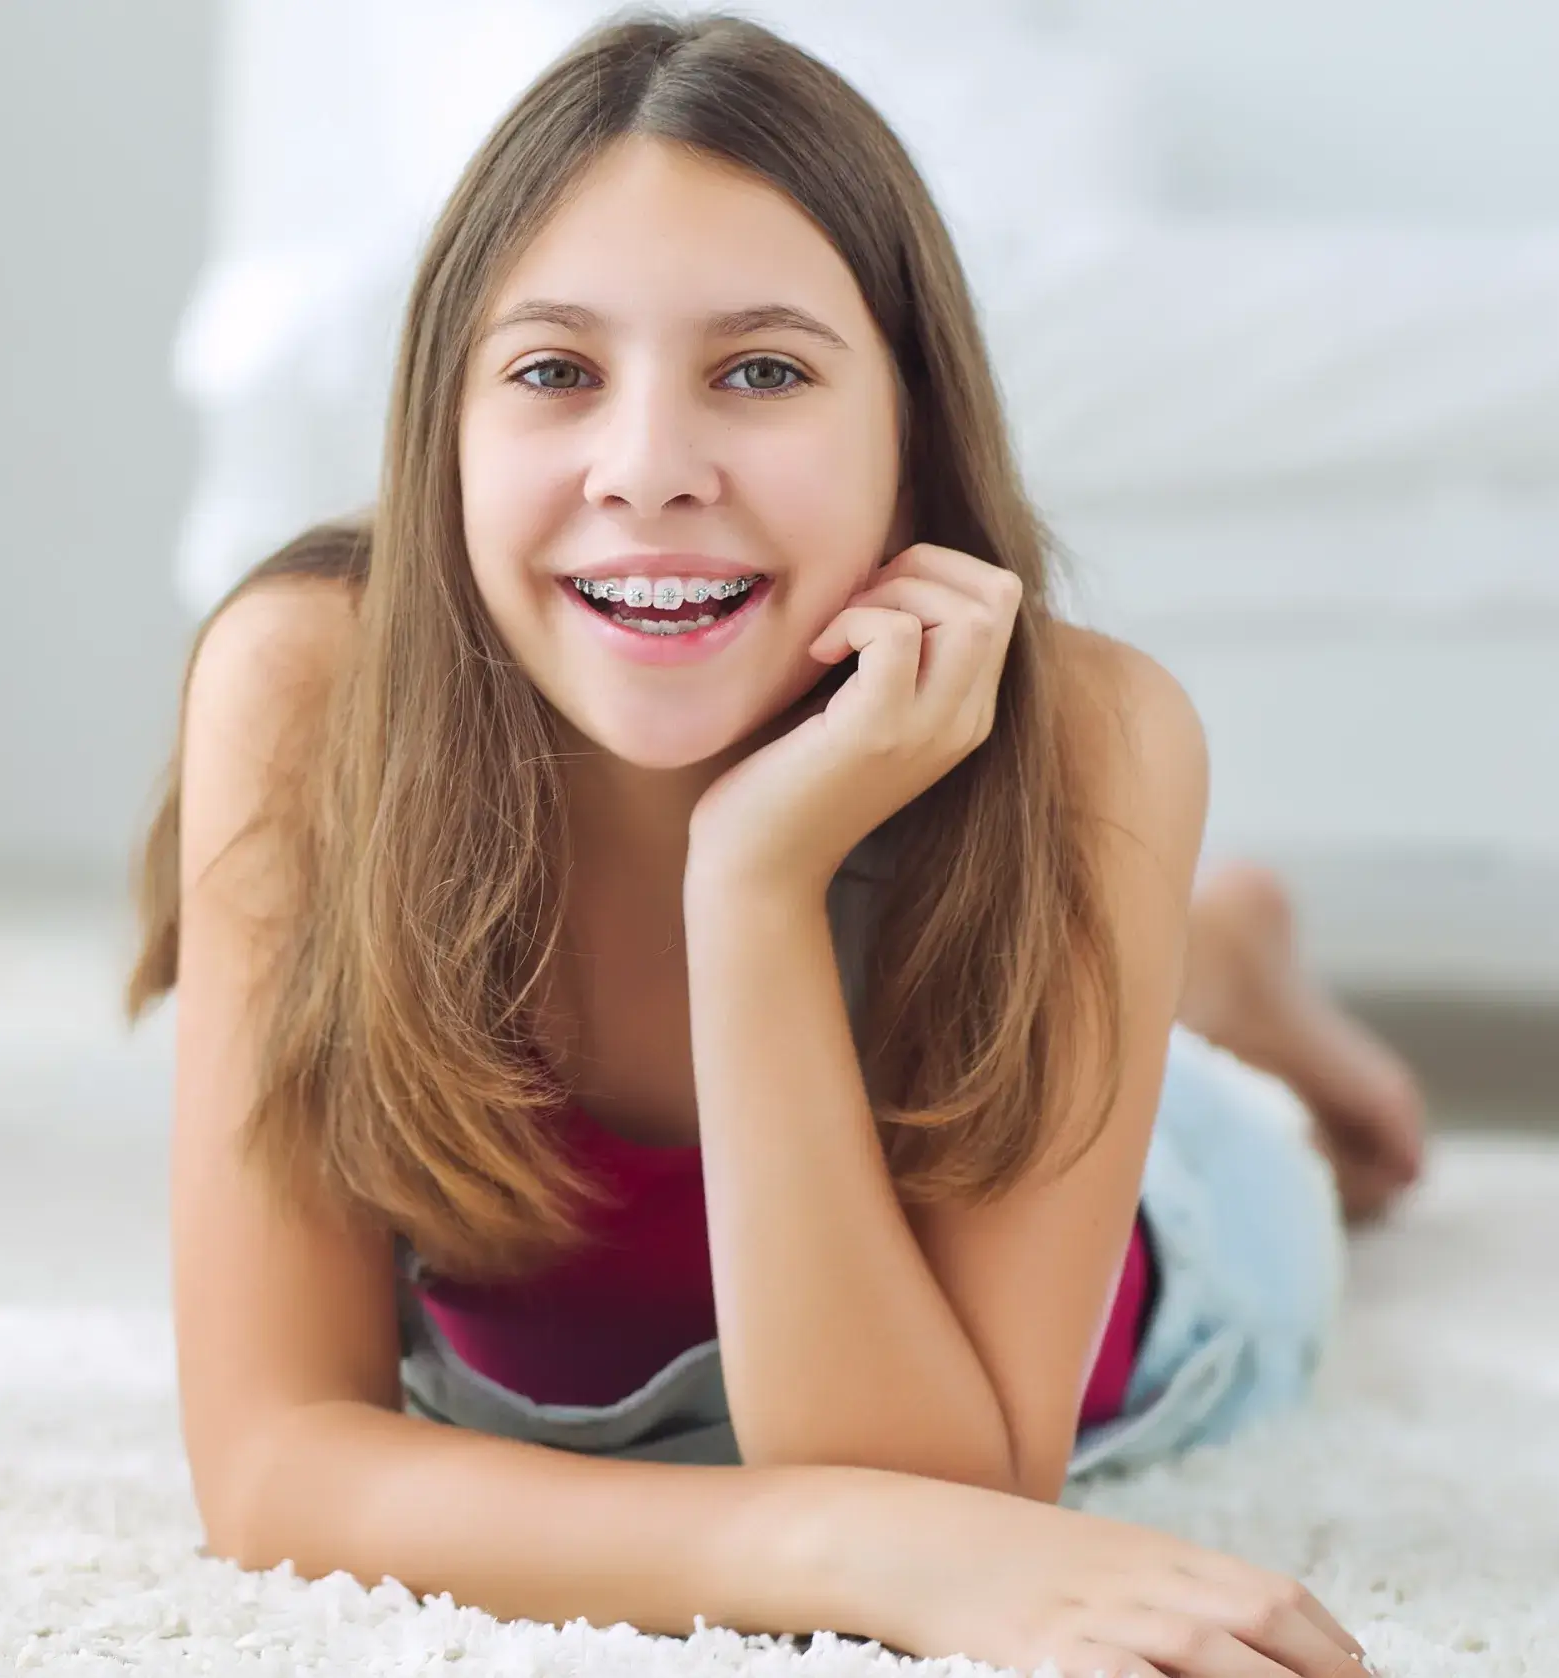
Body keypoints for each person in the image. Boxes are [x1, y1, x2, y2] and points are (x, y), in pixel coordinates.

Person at [124, 12, 1420, 1675]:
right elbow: (275, 1459)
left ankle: (1226, 1019)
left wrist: (751, 884)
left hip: (1181, 1237)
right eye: (552, 372)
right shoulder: (307, 682)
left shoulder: (1094, 737)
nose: (649, 469)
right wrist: (815, 1540)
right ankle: (1212, 973)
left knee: (1290, 1157)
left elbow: (957, 1497)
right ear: (441, 432)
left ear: (911, 431)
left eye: (762, 370)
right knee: (1154, 1048)